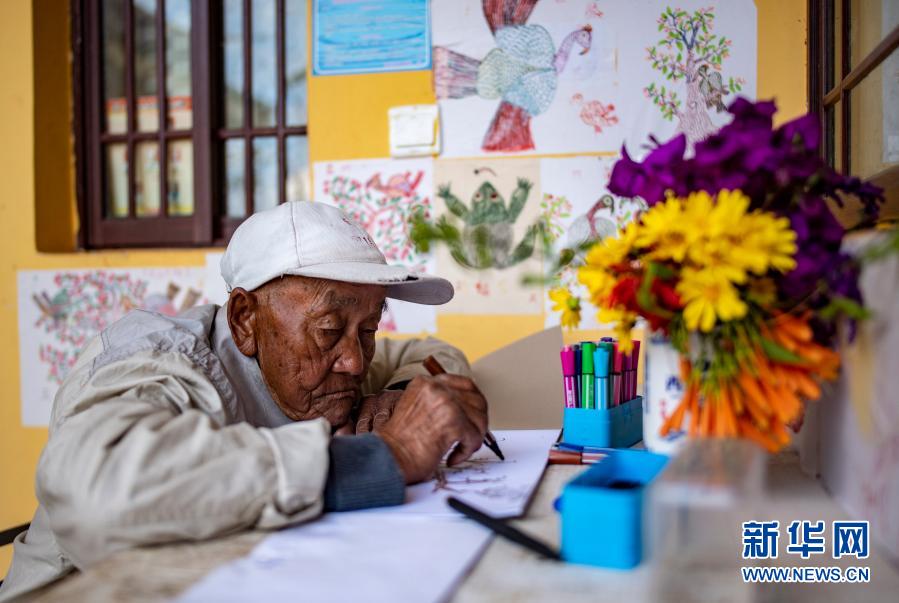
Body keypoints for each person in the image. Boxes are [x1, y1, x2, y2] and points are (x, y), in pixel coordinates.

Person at [0, 202, 488, 600]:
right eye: (328, 329)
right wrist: (387, 455)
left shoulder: (325, 368)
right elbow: (96, 494)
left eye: (369, 330)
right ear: (244, 319)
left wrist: (401, 397)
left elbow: (433, 354)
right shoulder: (163, 366)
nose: (355, 362)